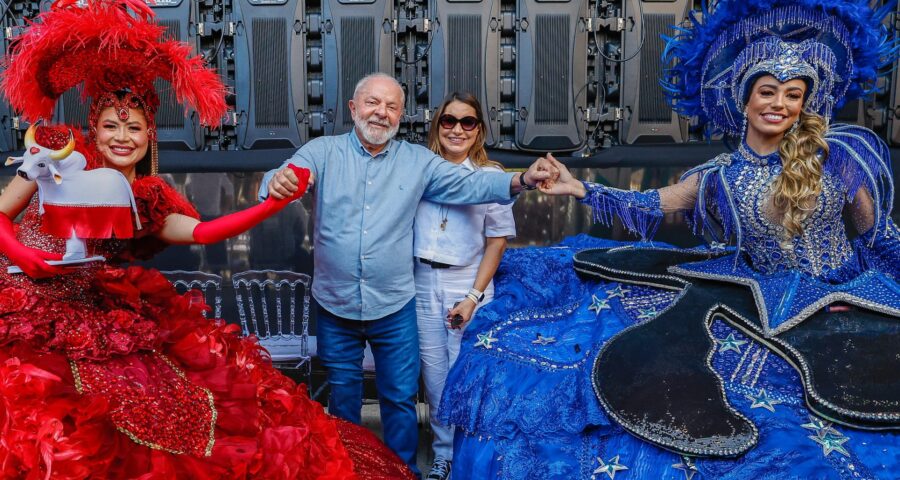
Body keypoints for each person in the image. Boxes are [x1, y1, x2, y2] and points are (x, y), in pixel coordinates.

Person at [438, 0, 900, 478]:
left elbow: (875, 233)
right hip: (760, 298)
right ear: (744, 100)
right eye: (767, 91)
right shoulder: (717, 178)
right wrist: (579, 187)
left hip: (848, 295)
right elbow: (650, 205)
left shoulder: (838, 156)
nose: (779, 104)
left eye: (792, 94)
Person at [0, 1, 415, 478]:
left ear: (148, 136)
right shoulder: (56, 153)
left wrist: (270, 205)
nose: (122, 137)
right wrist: (22, 256)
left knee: (175, 415)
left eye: (133, 128)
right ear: (92, 127)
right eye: (111, 125)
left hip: (92, 317)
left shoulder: (146, 199)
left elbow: (202, 231)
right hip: (19, 309)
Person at [260, 72, 553, 474]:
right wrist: (275, 182)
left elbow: (470, 186)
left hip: (394, 304)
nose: (381, 113)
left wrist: (521, 180)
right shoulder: (322, 151)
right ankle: (349, 469)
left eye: (392, 106)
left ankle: (401, 472)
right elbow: (284, 175)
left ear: (401, 116)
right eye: (372, 103)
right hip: (336, 304)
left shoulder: (418, 162)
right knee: (343, 399)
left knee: (399, 398)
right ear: (353, 108)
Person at [413, 92, 515, 480]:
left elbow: (497, 241)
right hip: (422, 281)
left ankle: (472, 458)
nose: (457, 129)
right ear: (437, 126)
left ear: (479, 130)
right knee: (435, 378)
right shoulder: (419, 172)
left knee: (466, 375)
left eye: (467, 122)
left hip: (467, 283)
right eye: (449, 121)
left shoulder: (492, 178)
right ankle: (443, 456)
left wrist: (473, 297)